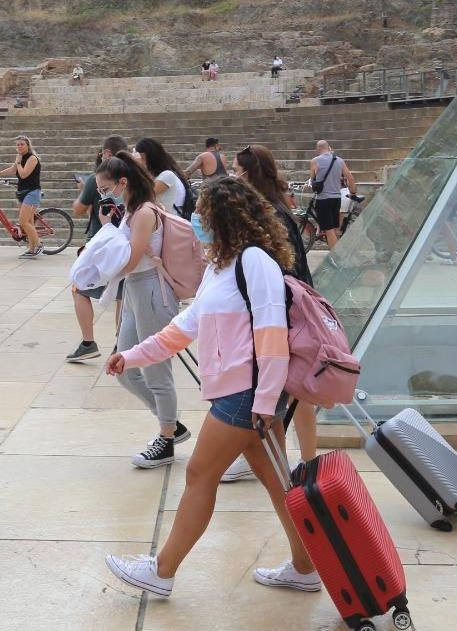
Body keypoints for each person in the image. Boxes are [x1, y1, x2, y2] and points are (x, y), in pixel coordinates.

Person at [103, 177, 319, 600]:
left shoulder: (255, 261)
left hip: (248, 393)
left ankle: (162, 571)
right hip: (246, 393)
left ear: (224, 217)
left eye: (202, 214)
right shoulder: (222, 266)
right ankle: (306, 567)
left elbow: (272, 334)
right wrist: (131, 356)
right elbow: (184, 327)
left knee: (200, 473)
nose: (195, 220)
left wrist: (264, 400)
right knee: (277, 480)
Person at [216, 144, 317, 483]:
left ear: (249, 173)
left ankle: (291, 460)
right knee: (293, 392)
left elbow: (280, 269)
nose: (233, 175)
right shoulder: (275, 205)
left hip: (284, 314)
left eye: (236, 169)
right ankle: (294, 461)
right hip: (290, 311)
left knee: (283, 392)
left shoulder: (270, 212)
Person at [98, 152, 190, 466]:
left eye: (106, 188)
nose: (104, 194)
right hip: (135, 290)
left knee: (156, 372)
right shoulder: (132, 211)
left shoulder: (145, 212)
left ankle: (166, 439)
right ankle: (171, 425)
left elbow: (132, 258)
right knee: (123, 368)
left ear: (123, 182)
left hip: (152, 290)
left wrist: (99, 259)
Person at [66, 136, 127, 363]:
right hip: (124, 249)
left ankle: (88, 342)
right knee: (123, 297)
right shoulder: (136, 183)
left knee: (79, 288)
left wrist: (85, 191)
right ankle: (121, 344)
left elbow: (78, 209)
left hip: (102, 246)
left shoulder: (96, 179)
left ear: (107, 153)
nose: (103, 193)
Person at [0, 135, 43, 258]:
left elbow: (23, 174)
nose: (19, 146)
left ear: (28, 145)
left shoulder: (32, 158)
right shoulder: (20, 158)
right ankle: (31, 250)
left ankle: (39, 245)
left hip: (32, 192)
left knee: (23, 221)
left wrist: (18, 162)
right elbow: (13, 170)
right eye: (17, 145)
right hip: (22, 192)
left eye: (22, 144)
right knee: (29, 222)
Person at [308, 140, 356, 248]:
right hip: (336, 199)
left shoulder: (315, 161)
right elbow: (350, 178)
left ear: (318, 149)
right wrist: (353, 191)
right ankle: (337, 250)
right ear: (328, 147)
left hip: (323, 199)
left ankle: (335, 254)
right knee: (334, 229)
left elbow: (312, 179)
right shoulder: (339, 160)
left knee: (329, 231)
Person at [134, 137, 189, 216]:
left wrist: (139, 168)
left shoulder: (167, 175)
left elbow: (143, 196)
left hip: (166, 220)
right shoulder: (155, 176)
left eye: (141, 158)